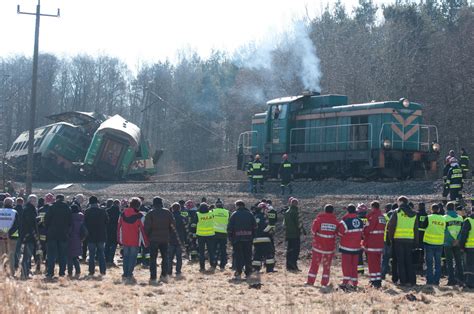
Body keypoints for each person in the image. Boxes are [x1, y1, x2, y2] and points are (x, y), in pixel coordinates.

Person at [386, 196, 418, 286]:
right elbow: (416, 229)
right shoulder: (414, 214)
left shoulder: (397, 212)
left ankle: (403, 281)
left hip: (398, 239)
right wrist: (416, 242)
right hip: (410, 240)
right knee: (409, 260)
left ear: (400, 202)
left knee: (401, 261)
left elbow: (391, 226)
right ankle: (411, 281)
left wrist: (390, 238)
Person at [144, 197, 175, 282]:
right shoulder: (167, 212)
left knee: (153, 258)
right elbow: (173, 225)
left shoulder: (150, 213)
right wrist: (169, 234)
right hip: (165, 238)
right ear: (162, 203)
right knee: (165, 257)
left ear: (153, 204)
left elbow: (147, 227)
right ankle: (164, 275)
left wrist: (148, 236)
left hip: (153, 239)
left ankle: (153, 277)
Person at [306, 204, 338, 286]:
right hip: (329, 248)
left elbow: (313, 231)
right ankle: (324, 283)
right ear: (332, 211)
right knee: (327, 266)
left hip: (318, 247)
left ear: (324, 210)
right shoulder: (336, 222)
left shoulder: (318, 220)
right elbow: (337, 233)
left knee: (314, 264)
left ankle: (310, 281)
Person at [117, 197, 148, 281]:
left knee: (126, 257)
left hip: (125, 239)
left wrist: (119, 239)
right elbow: (142, 230)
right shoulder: (140, 216)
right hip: (135, 240)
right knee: (133, 258)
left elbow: (119, 227)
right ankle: (129, 273)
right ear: (139, 205)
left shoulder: (122, 214)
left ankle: (125, 273)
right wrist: (145, 242)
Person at [44, 194, 72, 279]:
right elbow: (70, 221)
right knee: (62, 254)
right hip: (63, 234)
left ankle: (50, 272)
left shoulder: (52, 207)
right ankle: (62, 272)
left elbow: (46, 220)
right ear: (63, 199)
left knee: (51, 254)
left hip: (52, 234)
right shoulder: (67, 208)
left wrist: (49, 228)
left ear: (56, 199)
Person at [228, 200, 256, 279]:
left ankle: (238, 273)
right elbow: (255, 227)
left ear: (237, 206)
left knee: (239, 257)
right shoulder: (250, 214)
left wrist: (230, 238)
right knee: (248, 256)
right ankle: (248, 273)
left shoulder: (234, 215)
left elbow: (230, 228)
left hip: (237, 240)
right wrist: (252, 237)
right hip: (248, 239)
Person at [337, 204, 363, 290]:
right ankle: (354, 283)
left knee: (346, 266)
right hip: (356, 247)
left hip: (346, 247)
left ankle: (345, 283)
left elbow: (339, 233)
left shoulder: (344, 222)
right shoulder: (360, 221)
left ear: (347, 211)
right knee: (354, 266)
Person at [363, 201, 386, 288]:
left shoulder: (373, 216)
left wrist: (364, 229)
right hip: (380, 244)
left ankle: (373, 282)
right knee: (377, 263)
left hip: (372, 243)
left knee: (372, 264)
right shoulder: (382, 217)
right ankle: (378, 280)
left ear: (373, 207)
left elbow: (369, 229)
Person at [422, 203, 445, 286]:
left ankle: (429, 281)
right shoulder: (443, 219)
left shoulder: (429, 217)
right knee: (438, 263)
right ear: (438, 210)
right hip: (439, 243)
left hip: (429, 243)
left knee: (429, 263)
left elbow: (423, 226)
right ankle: (436, 281)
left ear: (431, 210)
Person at [84, 196, 108, 276]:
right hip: (101, 235)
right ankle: (103, 270)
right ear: (97, 202)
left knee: (91, 254)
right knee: (101, 253)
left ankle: (91, 271)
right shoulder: (102, 211)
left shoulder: (87, 212)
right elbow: (107, 221)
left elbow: (84, 223)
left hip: (90, 236)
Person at [444, 202, 464, 286]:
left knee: (449, 262)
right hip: (457, 243)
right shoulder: (460, 218)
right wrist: (457, 240)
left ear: (446, 208)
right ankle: (460, 280)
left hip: (447, 243)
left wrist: (451, 240)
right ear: (454, 208)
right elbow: (462, 231)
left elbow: (445, 231)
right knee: (459, 262)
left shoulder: (444, 218)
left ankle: (451, 280)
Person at [284, 198, 306, 271]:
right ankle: (294, 265)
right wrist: (302, 230)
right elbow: (299, 223)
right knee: (295, 250)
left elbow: (284, 224)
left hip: (288, 234)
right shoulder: (296, 212)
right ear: (296, 204)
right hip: (295, 234)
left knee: (289, 250)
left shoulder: (287, 212)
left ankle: (288, 265)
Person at [19, 195, 39, 279]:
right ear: (30, 201)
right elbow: (31, 223)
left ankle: (26, 272)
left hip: (28, 235)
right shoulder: (29, 209)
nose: (35, 202)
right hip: (29, 235)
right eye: (33, 200)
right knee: (27, 255)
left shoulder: (28, 208)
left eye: (35, 200)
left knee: (28, 255)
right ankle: (24, 273)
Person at [252, 202, 274, 272]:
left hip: (256, 239)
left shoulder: (255, 217)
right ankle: (269, 269)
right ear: (263, 209)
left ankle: (256, 269)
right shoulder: (266, 217)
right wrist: (268, 232)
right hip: (266, 239)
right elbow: (270, 227)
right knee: (269, 255)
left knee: (257, 255)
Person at [0, 197, 19, 277]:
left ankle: (2, 272)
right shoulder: (14, 212)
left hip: (1, 236)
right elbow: (17, 225)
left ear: (4, 203)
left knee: (1, 255)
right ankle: (11, 273)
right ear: (12, 204)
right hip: (12, 237)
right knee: (11, 255)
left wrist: (3, 233)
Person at [196, 202, 216, 272]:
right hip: (210, 234)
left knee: (201, 252)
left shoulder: (197, 215)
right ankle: (212, 265)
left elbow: (194, 223)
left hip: (201, 235)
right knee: (211, 251)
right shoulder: (211, 213)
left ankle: (202, 267)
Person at [169, 202, 186, 276]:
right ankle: (178, 271)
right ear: (179, 209)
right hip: (180, 240)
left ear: (172, 209)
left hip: (170, 240)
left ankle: (169, 271)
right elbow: (186, 229)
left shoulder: (169, 218)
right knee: (179, 257)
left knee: (170, 257)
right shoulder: (183, 218)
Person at [68, 204, 85, 277]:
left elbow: (69, 230)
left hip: (70, 239)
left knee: (69, 256)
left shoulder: (70, 219)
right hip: (78, 239)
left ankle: (70, 272)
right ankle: (78, 271)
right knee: (75, 256)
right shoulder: (81, 218)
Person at [459, 208, 474, 288]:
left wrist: (461, 246)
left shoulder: (468, 220)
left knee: (469, 266)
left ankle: (470, 283)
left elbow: (463, 235)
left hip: (470, 247)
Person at [213, 198, 229, 270]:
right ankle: (222, 265)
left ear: (216, 205)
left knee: (214, 249)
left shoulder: (213, 211)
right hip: (224, 234)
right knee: (223, 250)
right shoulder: (227, 212)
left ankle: (214, 264)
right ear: (222, 205)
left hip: (215, 233)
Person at [105, 199, 120, 266]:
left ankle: (106, 258)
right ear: (118, 204)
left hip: (108, 230)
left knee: (107, 245)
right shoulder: (119, 212)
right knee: (113, 245)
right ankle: (111, 259)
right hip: (115, 231)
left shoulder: (107, 211)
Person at [414, 202, 428, 274]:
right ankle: (421, 265)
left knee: (416, 249)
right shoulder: (426, 215)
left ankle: (416, 265)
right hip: (424, 234)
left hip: (417, 234)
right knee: (422, 250)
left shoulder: (416, 214)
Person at [381, 203, 393, 279]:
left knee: (385, 258)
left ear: (386, 209)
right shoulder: (395, 216)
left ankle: (383, 274)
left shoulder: (383, 216)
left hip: (384, 240)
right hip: (393, 240)